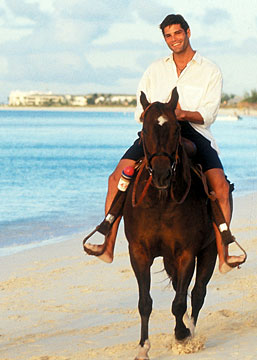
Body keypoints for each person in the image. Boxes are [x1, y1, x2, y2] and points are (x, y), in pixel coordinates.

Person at [84, 14, 245, 274]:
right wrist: (161, 115)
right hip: (157, 133)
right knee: (116, 178)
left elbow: (209, 113)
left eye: (178, 33)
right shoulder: (155, 69)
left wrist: (181, 115)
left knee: (221, 187)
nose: (174, 40)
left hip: (194, 131)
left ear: (188, 32)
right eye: (168, 36)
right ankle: (109, 243)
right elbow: (140, 109)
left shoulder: (210, 70)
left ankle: (224, 253)